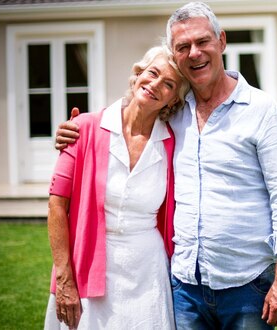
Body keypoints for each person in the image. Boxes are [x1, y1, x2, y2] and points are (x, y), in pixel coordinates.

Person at [55, 2, 277, 329]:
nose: (194, 52)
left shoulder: (263, 112)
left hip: (247, 286)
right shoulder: (175, 111)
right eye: (183, 46)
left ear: (221, 41)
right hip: (184, 288)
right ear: (175, 54)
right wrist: (79, 129)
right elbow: (134, 111)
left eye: (202, 41)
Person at [45, 45, 189, 329]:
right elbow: (56, 206)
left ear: (173, 100)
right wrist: (64, 277)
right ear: (137, 75)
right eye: (152, 73)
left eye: (169, 84)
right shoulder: (83, 128)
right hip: (88, 264)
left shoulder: (174, 143)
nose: (155, 84)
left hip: (148, 275)